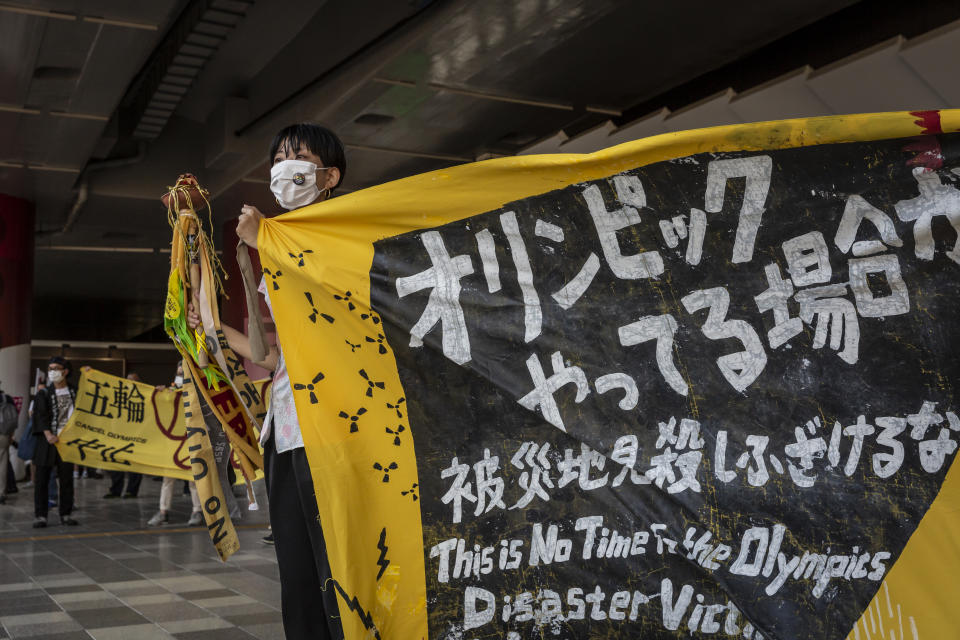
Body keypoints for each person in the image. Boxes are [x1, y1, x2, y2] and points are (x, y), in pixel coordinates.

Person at [188, 123, 345, 639]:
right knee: (297, 571)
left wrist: (267, 243)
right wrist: (213, 328)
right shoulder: (280, 242)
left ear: (329, 176)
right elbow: (276, 354)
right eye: (278, 156)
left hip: (332, 430)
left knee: (338, 568)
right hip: (286, 427)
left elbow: (338, 320)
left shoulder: (342, 235)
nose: (284, 165)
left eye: (298, 156)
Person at [148, 363, 203, 527]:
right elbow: (163, 406)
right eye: (179, 372)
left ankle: (197, 511)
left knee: (194, 477)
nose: (181, 376)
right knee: (168, 476)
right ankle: (163, 511)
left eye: (184, 372)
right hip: (174, 441)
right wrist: (160, 393)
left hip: (192, 437)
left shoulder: (197, 392)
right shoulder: (172, 392)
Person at [32, 356, 78, 527]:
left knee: (66, 479)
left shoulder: (75, 391)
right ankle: (41, 515)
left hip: (67, 442)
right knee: (42, 480)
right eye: (50, 369)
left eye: (56, 368)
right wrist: (48, 434)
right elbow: (40, 415)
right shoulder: (43, 393)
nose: (52, 372)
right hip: (47, 441)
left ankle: (65, 513)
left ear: (65, 371)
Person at [104, 372, 144, 499]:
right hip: (119, 435)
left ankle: (131, 491)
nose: (130, 383)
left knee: (135, 466)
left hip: (136, 436)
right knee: (116, 464)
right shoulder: (119, 395)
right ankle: (115, 490)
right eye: (128, 381)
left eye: (133, 381)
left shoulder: (144, 397)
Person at [0, 384, 18, 505]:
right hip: (4, 434)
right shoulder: (7, 398)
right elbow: (14, 418)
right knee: (2, 463)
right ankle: (1, 493)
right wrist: (11, 435)